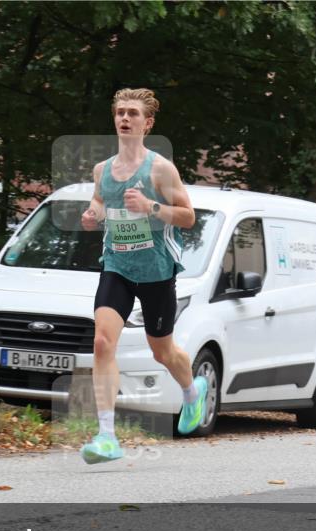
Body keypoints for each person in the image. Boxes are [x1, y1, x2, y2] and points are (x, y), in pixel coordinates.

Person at [78, 88, 207, 465]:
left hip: (156, 271)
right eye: (120, 112)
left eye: (133, 113)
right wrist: (92, 215)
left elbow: (188, 216)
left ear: (147, 123)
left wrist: (151, 206)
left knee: (162, 351)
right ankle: (106, 437)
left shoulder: (160, 169)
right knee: (102, 342)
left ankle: (191, 392)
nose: (125, 118)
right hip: (116, 265)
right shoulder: (103, 170)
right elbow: (100, 202)